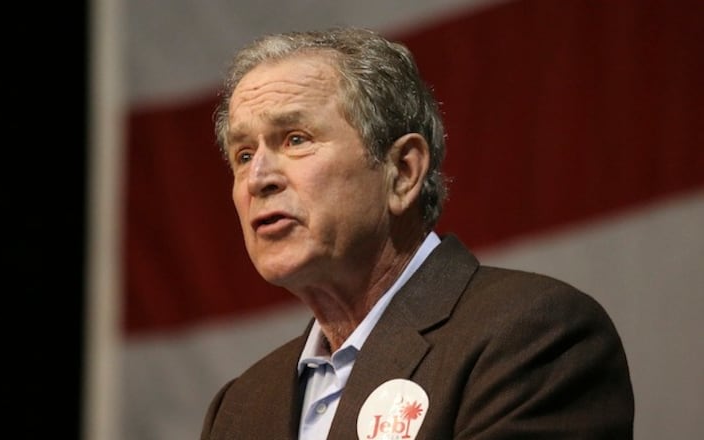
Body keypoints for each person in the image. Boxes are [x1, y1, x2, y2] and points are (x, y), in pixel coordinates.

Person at [201, 27, 633, 439]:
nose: (258, 178)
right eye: (243, 154)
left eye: (295, 139)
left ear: (403, 172)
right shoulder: (241, 406)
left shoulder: (532, 338)